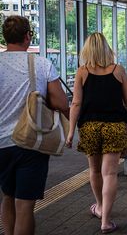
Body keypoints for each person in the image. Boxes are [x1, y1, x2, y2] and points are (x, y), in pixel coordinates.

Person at [0, 16, 69, 235]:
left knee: (7, 196)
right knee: (25, 205)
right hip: (31, 142)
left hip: (1, 145)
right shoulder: (41, 64)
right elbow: (60, 102)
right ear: (28, 36)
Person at [66, 33, 127, 234]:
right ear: (107, 49)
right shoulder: (118, 70)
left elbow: (76, 103)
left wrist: (71, 131)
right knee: (110, 173)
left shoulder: (82, 72)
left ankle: (98, 206)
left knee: (95, 171)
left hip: (89, 127)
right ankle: (105, 220)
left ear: (87, 50)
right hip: (115, 126)